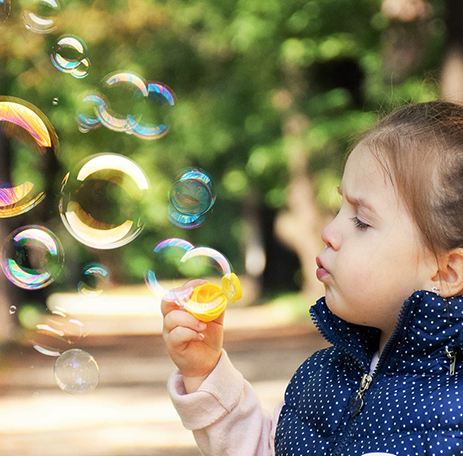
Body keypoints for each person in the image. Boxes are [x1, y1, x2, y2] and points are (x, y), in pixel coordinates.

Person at [161, 101, 463, 455]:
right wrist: (205, 371)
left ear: (445, 272)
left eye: (362, 221)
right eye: (339, 209)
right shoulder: (320, 379)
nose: (329, 231)